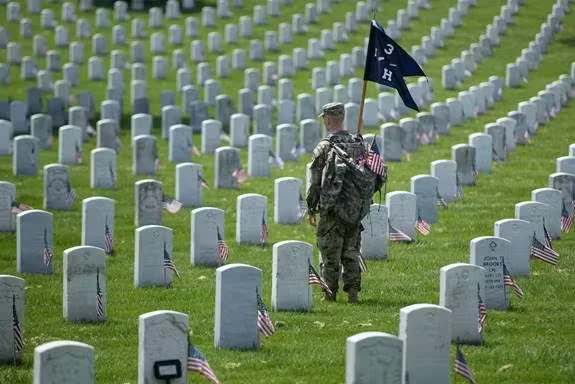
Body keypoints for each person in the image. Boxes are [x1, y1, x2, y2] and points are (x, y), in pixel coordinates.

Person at [306, 102, 366, 304]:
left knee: (329, 252)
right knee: (351, 251)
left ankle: (330, 293)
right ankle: (353, 294)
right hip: (355, 209)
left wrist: (311, 207)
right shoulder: (359, 144)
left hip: (332, 209)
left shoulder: (325, 147)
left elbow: (315, 181)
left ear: (328, 119)